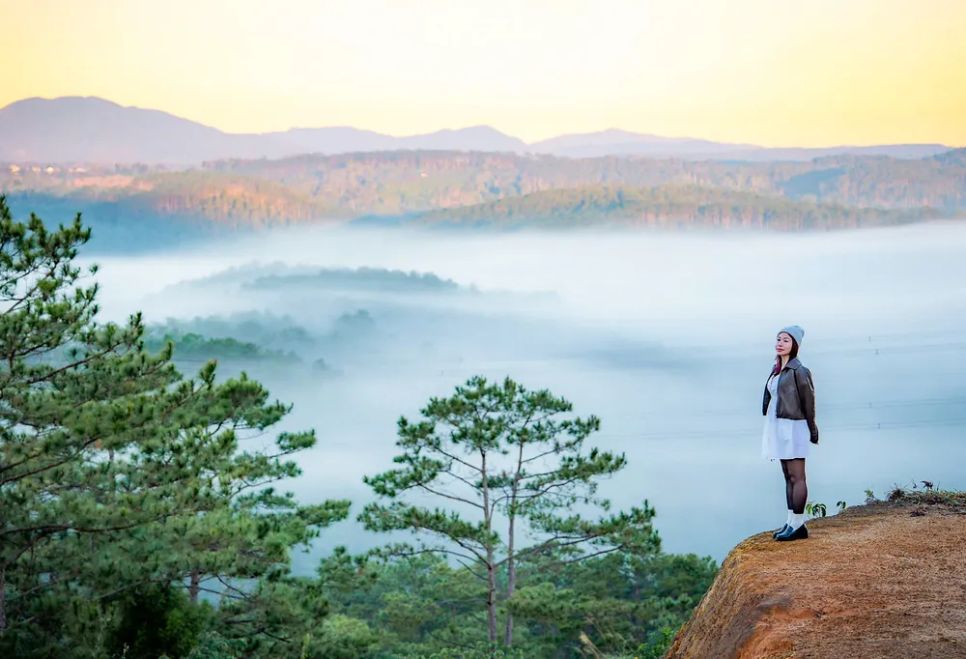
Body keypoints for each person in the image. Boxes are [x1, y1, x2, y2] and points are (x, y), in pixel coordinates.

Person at [761, 325, 819, 541]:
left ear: (795, 345)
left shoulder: (799, 371)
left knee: (797, 476)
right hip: (778, 426)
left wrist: (812, 430)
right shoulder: (776, 369)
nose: (780, 343)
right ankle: (791, 522)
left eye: (786, 340)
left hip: (794, 427)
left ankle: (798, 524)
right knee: (787, 476)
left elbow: (809, 402)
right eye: (778, 339)